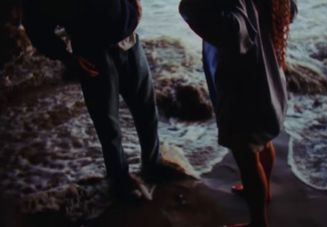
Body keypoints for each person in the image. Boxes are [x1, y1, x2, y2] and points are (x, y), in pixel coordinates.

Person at [22, 0, 161, 200]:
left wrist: (135, 6)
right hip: (94, 55)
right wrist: (67, 57)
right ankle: (119, 182)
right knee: (108, 127)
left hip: (130, 42)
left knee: (147, 111)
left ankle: (154, 165)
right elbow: (35, 27)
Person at [180, 0, 297, 226]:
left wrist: (190, 6)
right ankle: (264, 192)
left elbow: (236, 32)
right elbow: (290, 10)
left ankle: (258, 223)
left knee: (247, 157)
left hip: (244, 86)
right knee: (262, 141)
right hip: (267, 75)